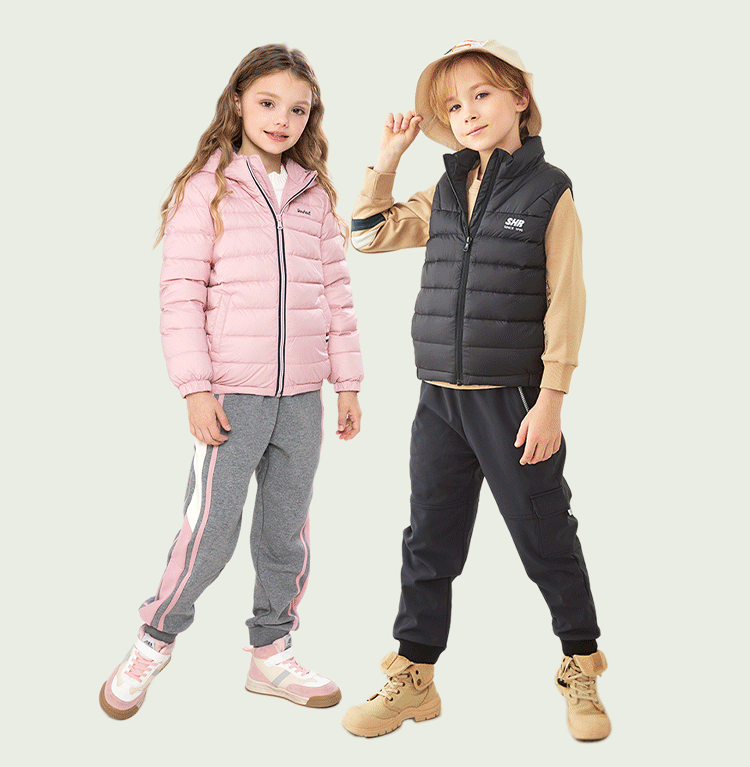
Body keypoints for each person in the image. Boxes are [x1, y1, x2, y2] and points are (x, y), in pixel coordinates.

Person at [341, 40, 609, 741]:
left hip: (513, 399)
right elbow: (365, 234)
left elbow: (567, 298)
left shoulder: (549, 190)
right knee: (428, 540)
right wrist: (388, 161)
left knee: (545, 535)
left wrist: (551, 397)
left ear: (519, 98)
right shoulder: (444, 192)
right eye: (453, 106)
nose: (467, 113)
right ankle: (415, 675)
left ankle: (581, 664)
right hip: (438, 398)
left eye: (481, 94)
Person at [99, 44, 363, 720]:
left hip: (301, 398)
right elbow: (181, 294)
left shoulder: (312, 194)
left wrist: (348, 383)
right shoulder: (208, 187)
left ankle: (271, 652)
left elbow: (336, 296)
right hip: (231, 398)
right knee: (209, 533)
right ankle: (154, 639)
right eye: (269, 103)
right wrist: (195, 389)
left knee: (286, 534)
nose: (282, 119)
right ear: (239, 101)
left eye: (298, 110)